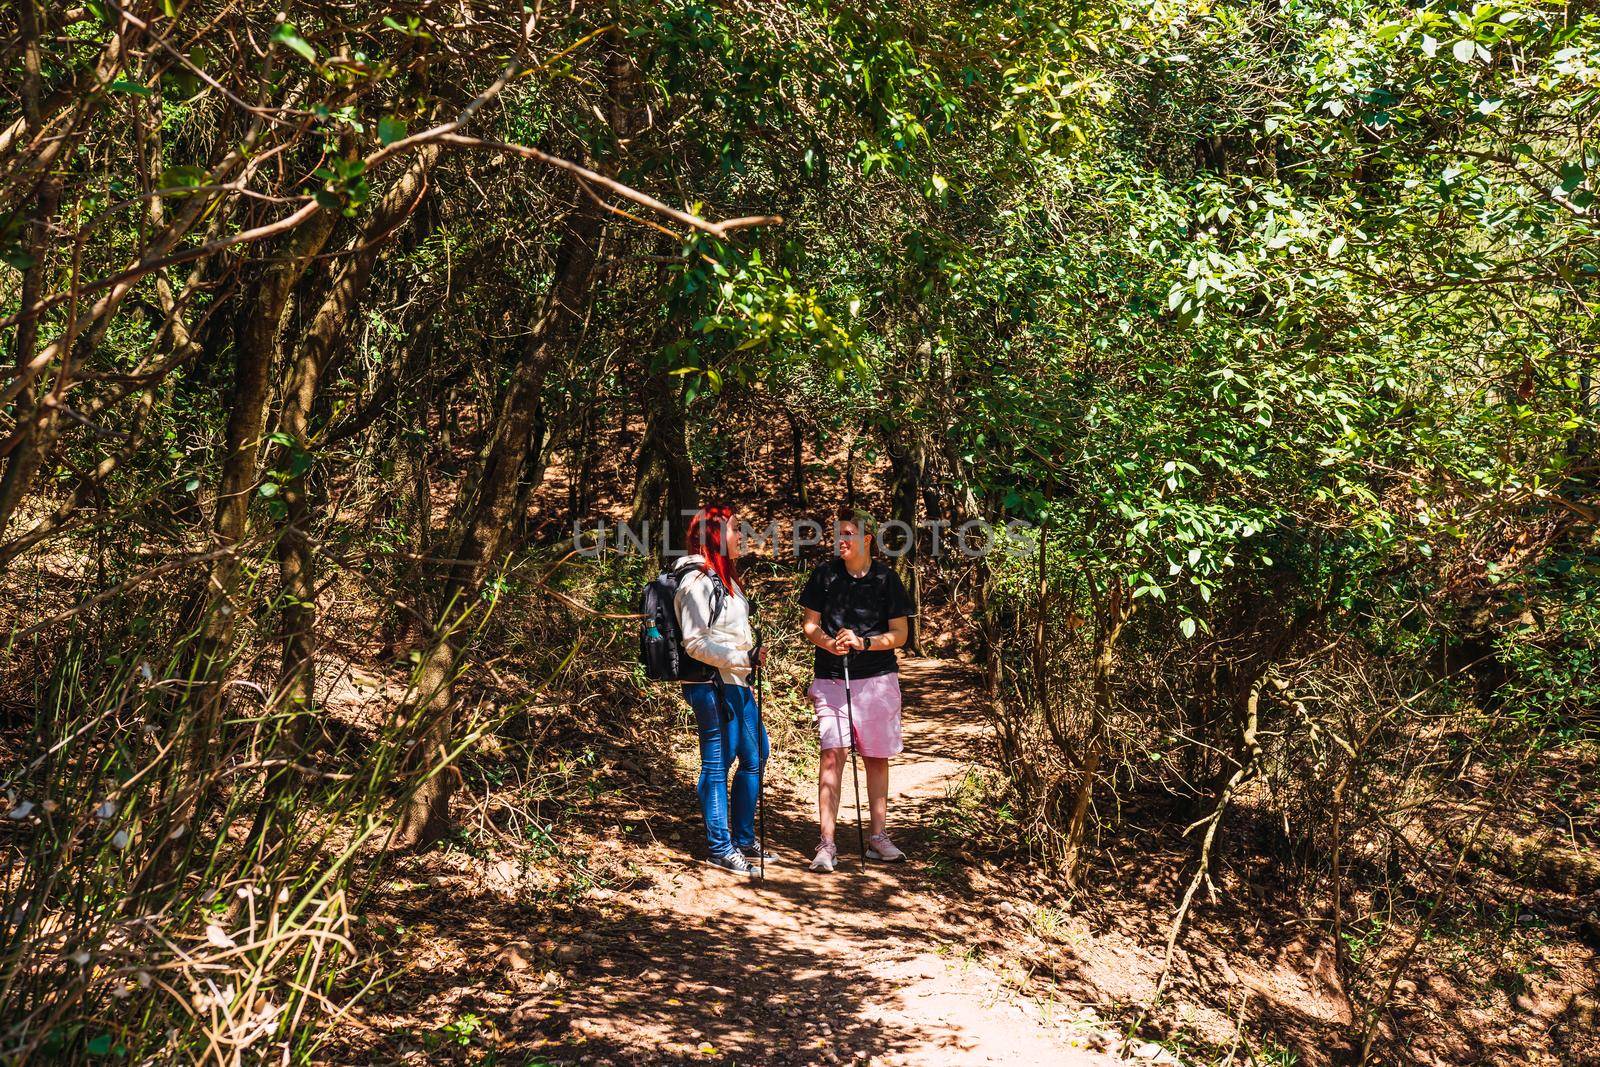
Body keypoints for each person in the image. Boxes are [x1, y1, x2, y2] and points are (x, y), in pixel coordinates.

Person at [799, 508, 914, 873]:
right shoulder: (825, 576)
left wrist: (864, 643)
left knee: (876, 757)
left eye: (847, 534)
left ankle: (877, 837)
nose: (840, 541)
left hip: (877, 679)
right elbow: (809, 625)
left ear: (867, 539)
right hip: (832, 677)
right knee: (833, 754)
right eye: (837, 535)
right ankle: (827, 843)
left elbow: (900, 635)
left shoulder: (886, 579)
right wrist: (828, 642)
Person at [675, 504, 771, 877]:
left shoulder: (724, 577)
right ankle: (721, 847)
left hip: (736, 681)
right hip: (711, 685)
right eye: (734, 529)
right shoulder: (696, 582)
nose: (740, 536)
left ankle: (743, 839)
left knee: (755, 754)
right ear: (715, 535)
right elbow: (694, 642)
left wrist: (746, 656)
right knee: (717, 764)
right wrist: (740, 655)